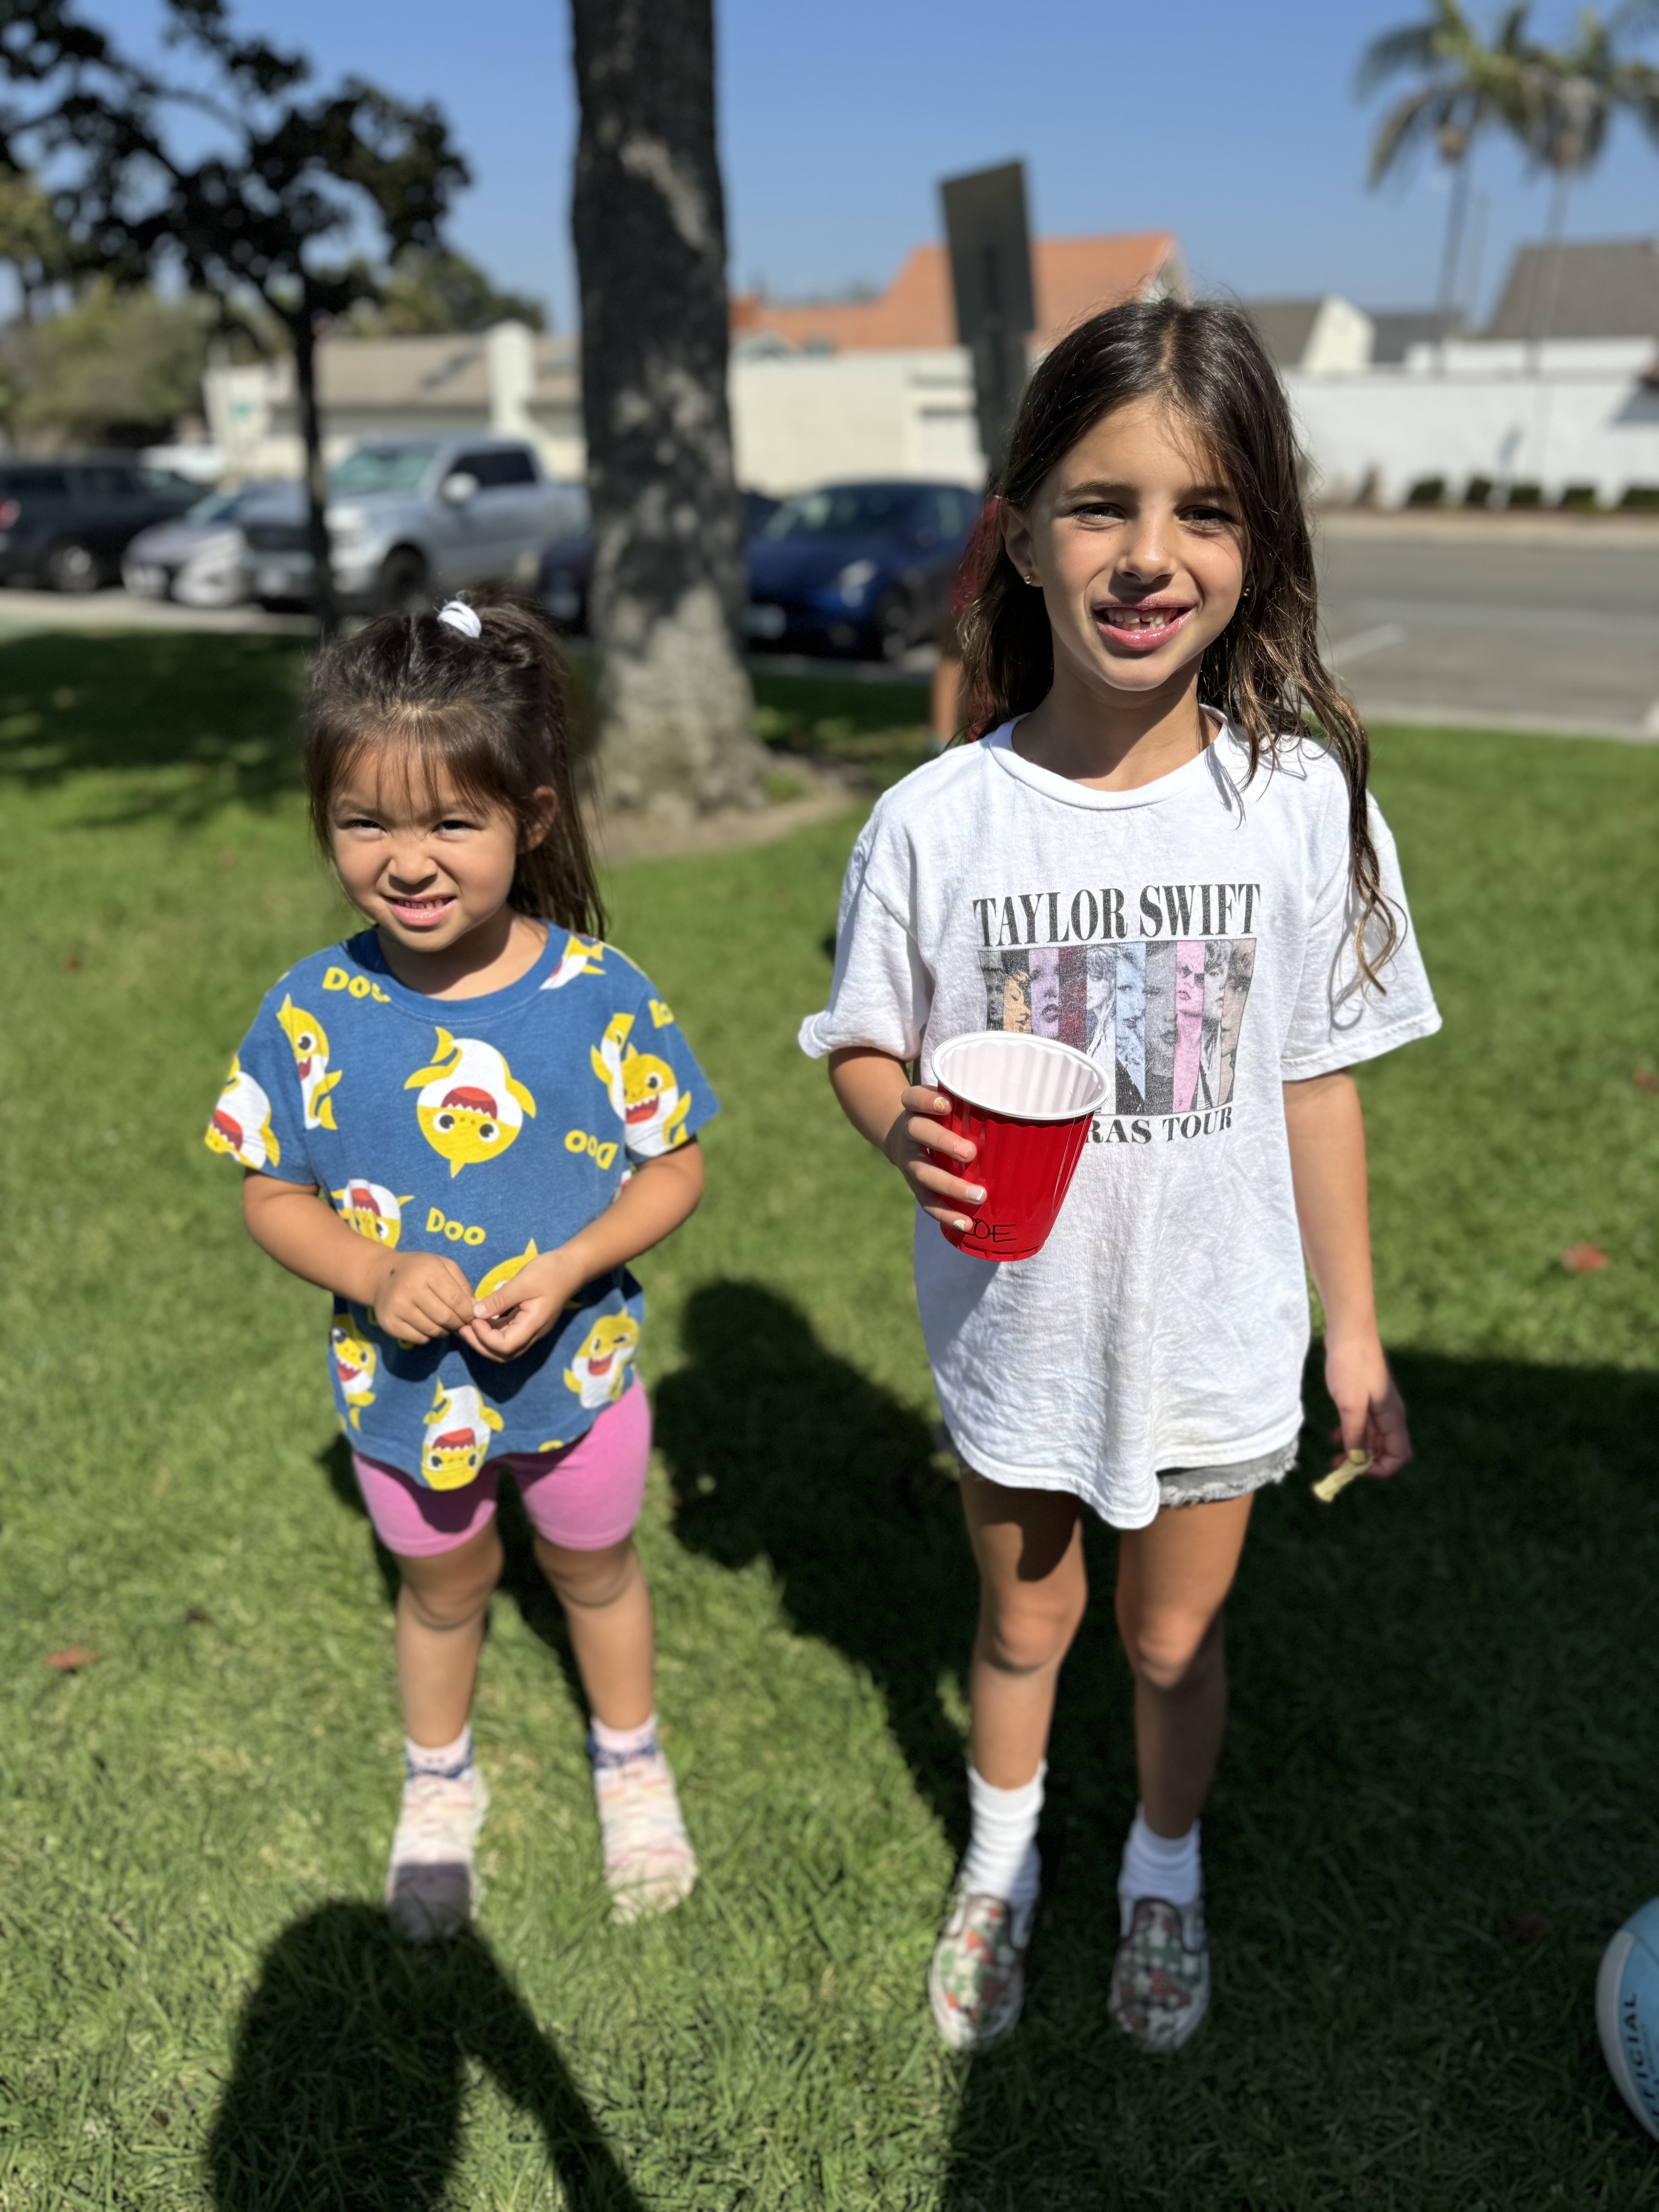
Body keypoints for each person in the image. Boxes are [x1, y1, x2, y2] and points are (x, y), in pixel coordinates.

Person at [800, 299, 1440, 2053]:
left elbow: (1314, 1080)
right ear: (1018, 529)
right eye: (1101, 505)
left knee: (1171, 1649)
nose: (1151, 556)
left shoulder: (1300, 805)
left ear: (1260, 546)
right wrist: (895, 1120)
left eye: (1208, 512)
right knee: (1023, 1628)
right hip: (1019, 1336)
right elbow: (861, 1038)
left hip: (1220, 1339)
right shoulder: (938, 819)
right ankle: (1000, 1863)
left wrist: (1356, 1336)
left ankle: (1162, 1869)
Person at [204, 596, 716, 1938]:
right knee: (443, 1590)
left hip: (580, 1379)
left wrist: (575, 1259)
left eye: (451, 824)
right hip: (399, 1399)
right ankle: (439, 1783)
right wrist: (372, 1274)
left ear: (530, 820)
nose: (407, 861)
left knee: (596, 1571)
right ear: (325, 822)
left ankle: (631, 1757)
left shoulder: (602, 996)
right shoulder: (312, 1011)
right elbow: (271, 1192)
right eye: (366, 823)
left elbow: (674, 1167)